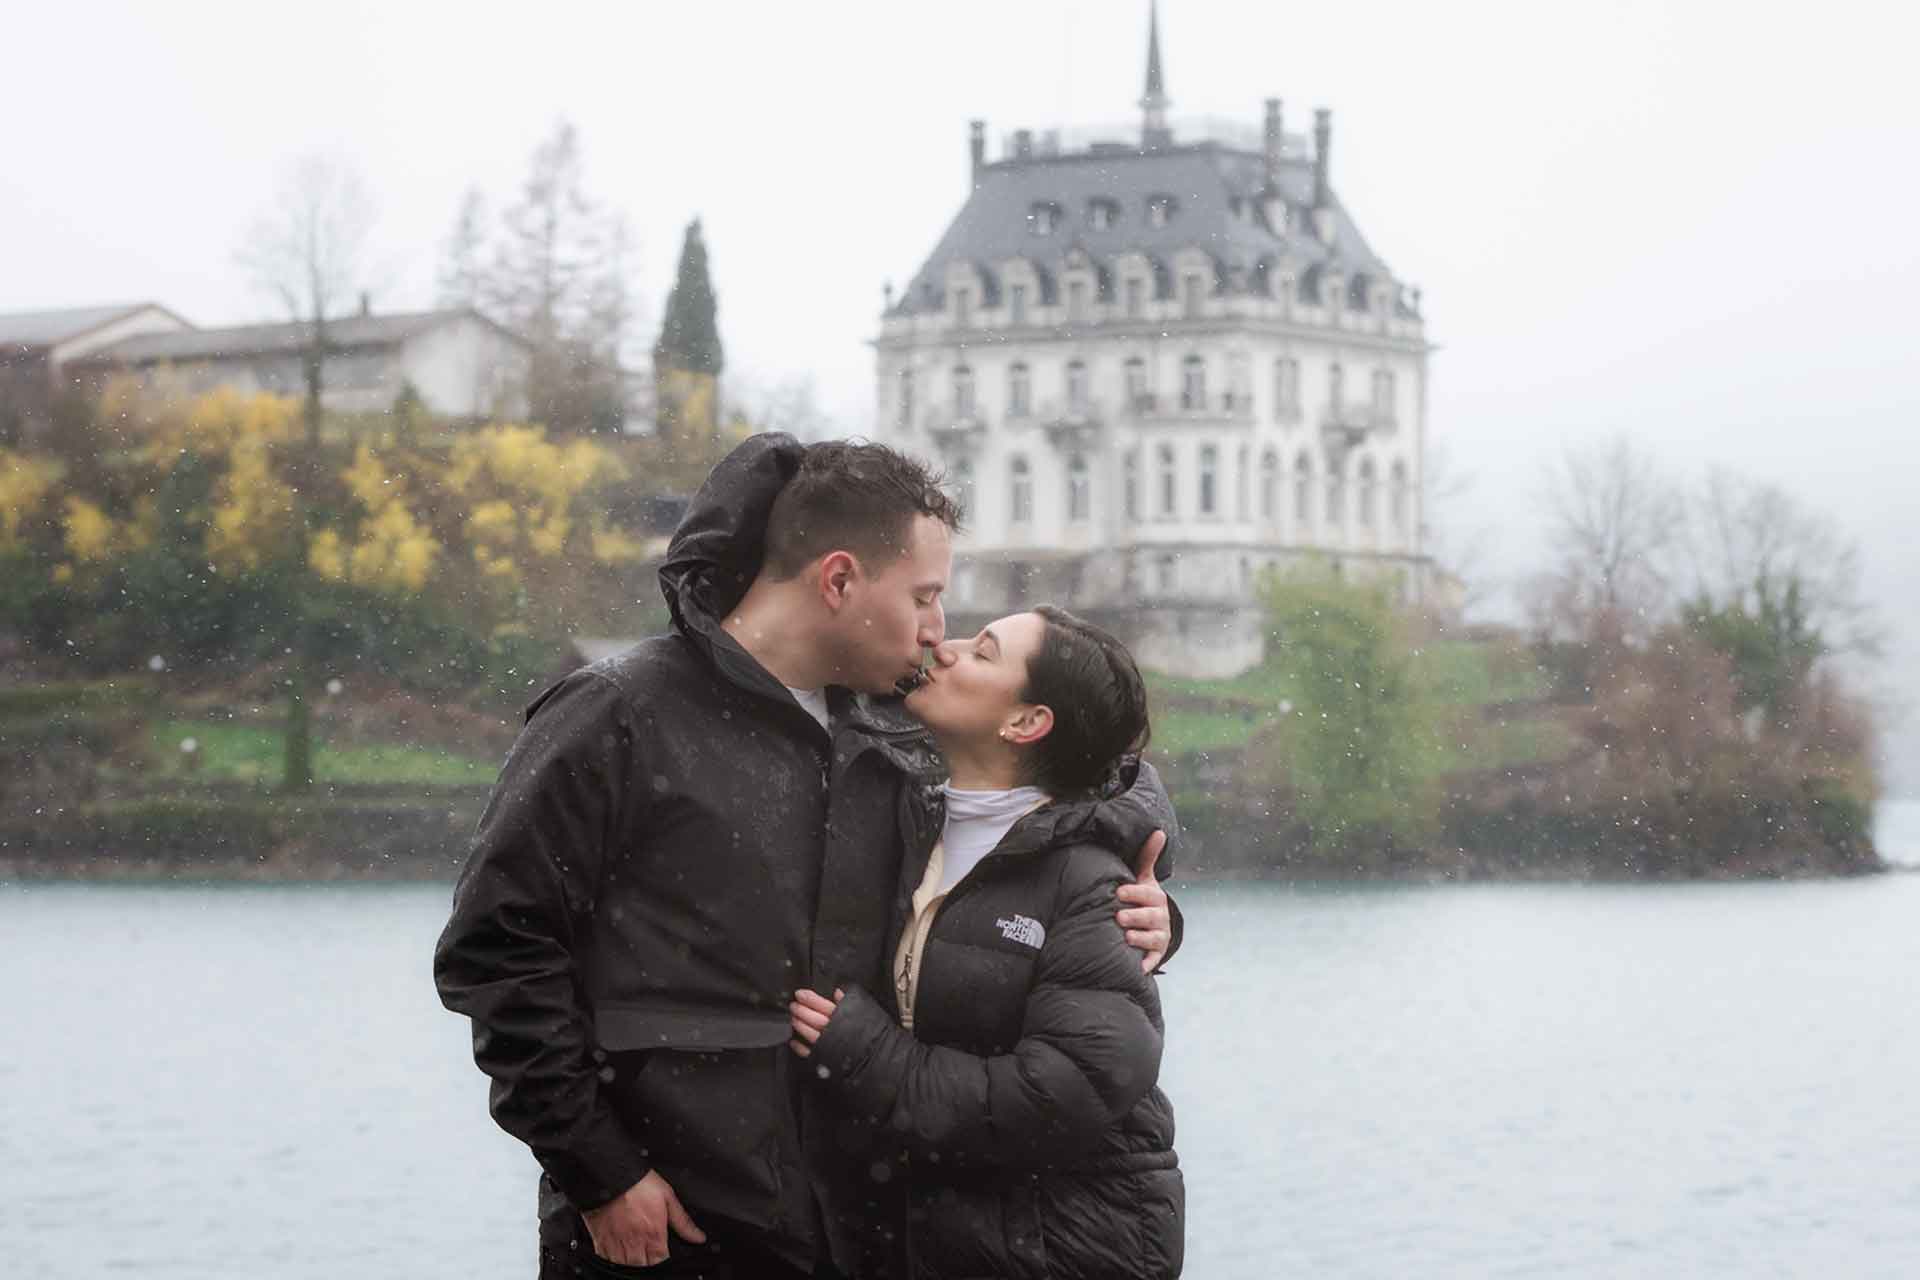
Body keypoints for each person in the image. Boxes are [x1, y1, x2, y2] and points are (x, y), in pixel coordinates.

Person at [434, 434, 1182, 1279]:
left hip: (858, 1235)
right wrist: (601, 1171)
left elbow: (1063, 785)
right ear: (838, 580)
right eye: (926, 596)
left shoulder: (898, 730)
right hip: (665, 1233)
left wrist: (1143, 898)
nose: (940, 633)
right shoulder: (617, 713)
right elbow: (497, 952)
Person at [789, 606, 1184, 1279]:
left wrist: (871, 1059)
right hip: (924, 1239)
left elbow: (1062, 1096)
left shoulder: (1094, 885)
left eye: (984, 651)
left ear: (1026, 722)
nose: (947, 647)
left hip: (1064, 1248)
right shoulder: (904, 821)